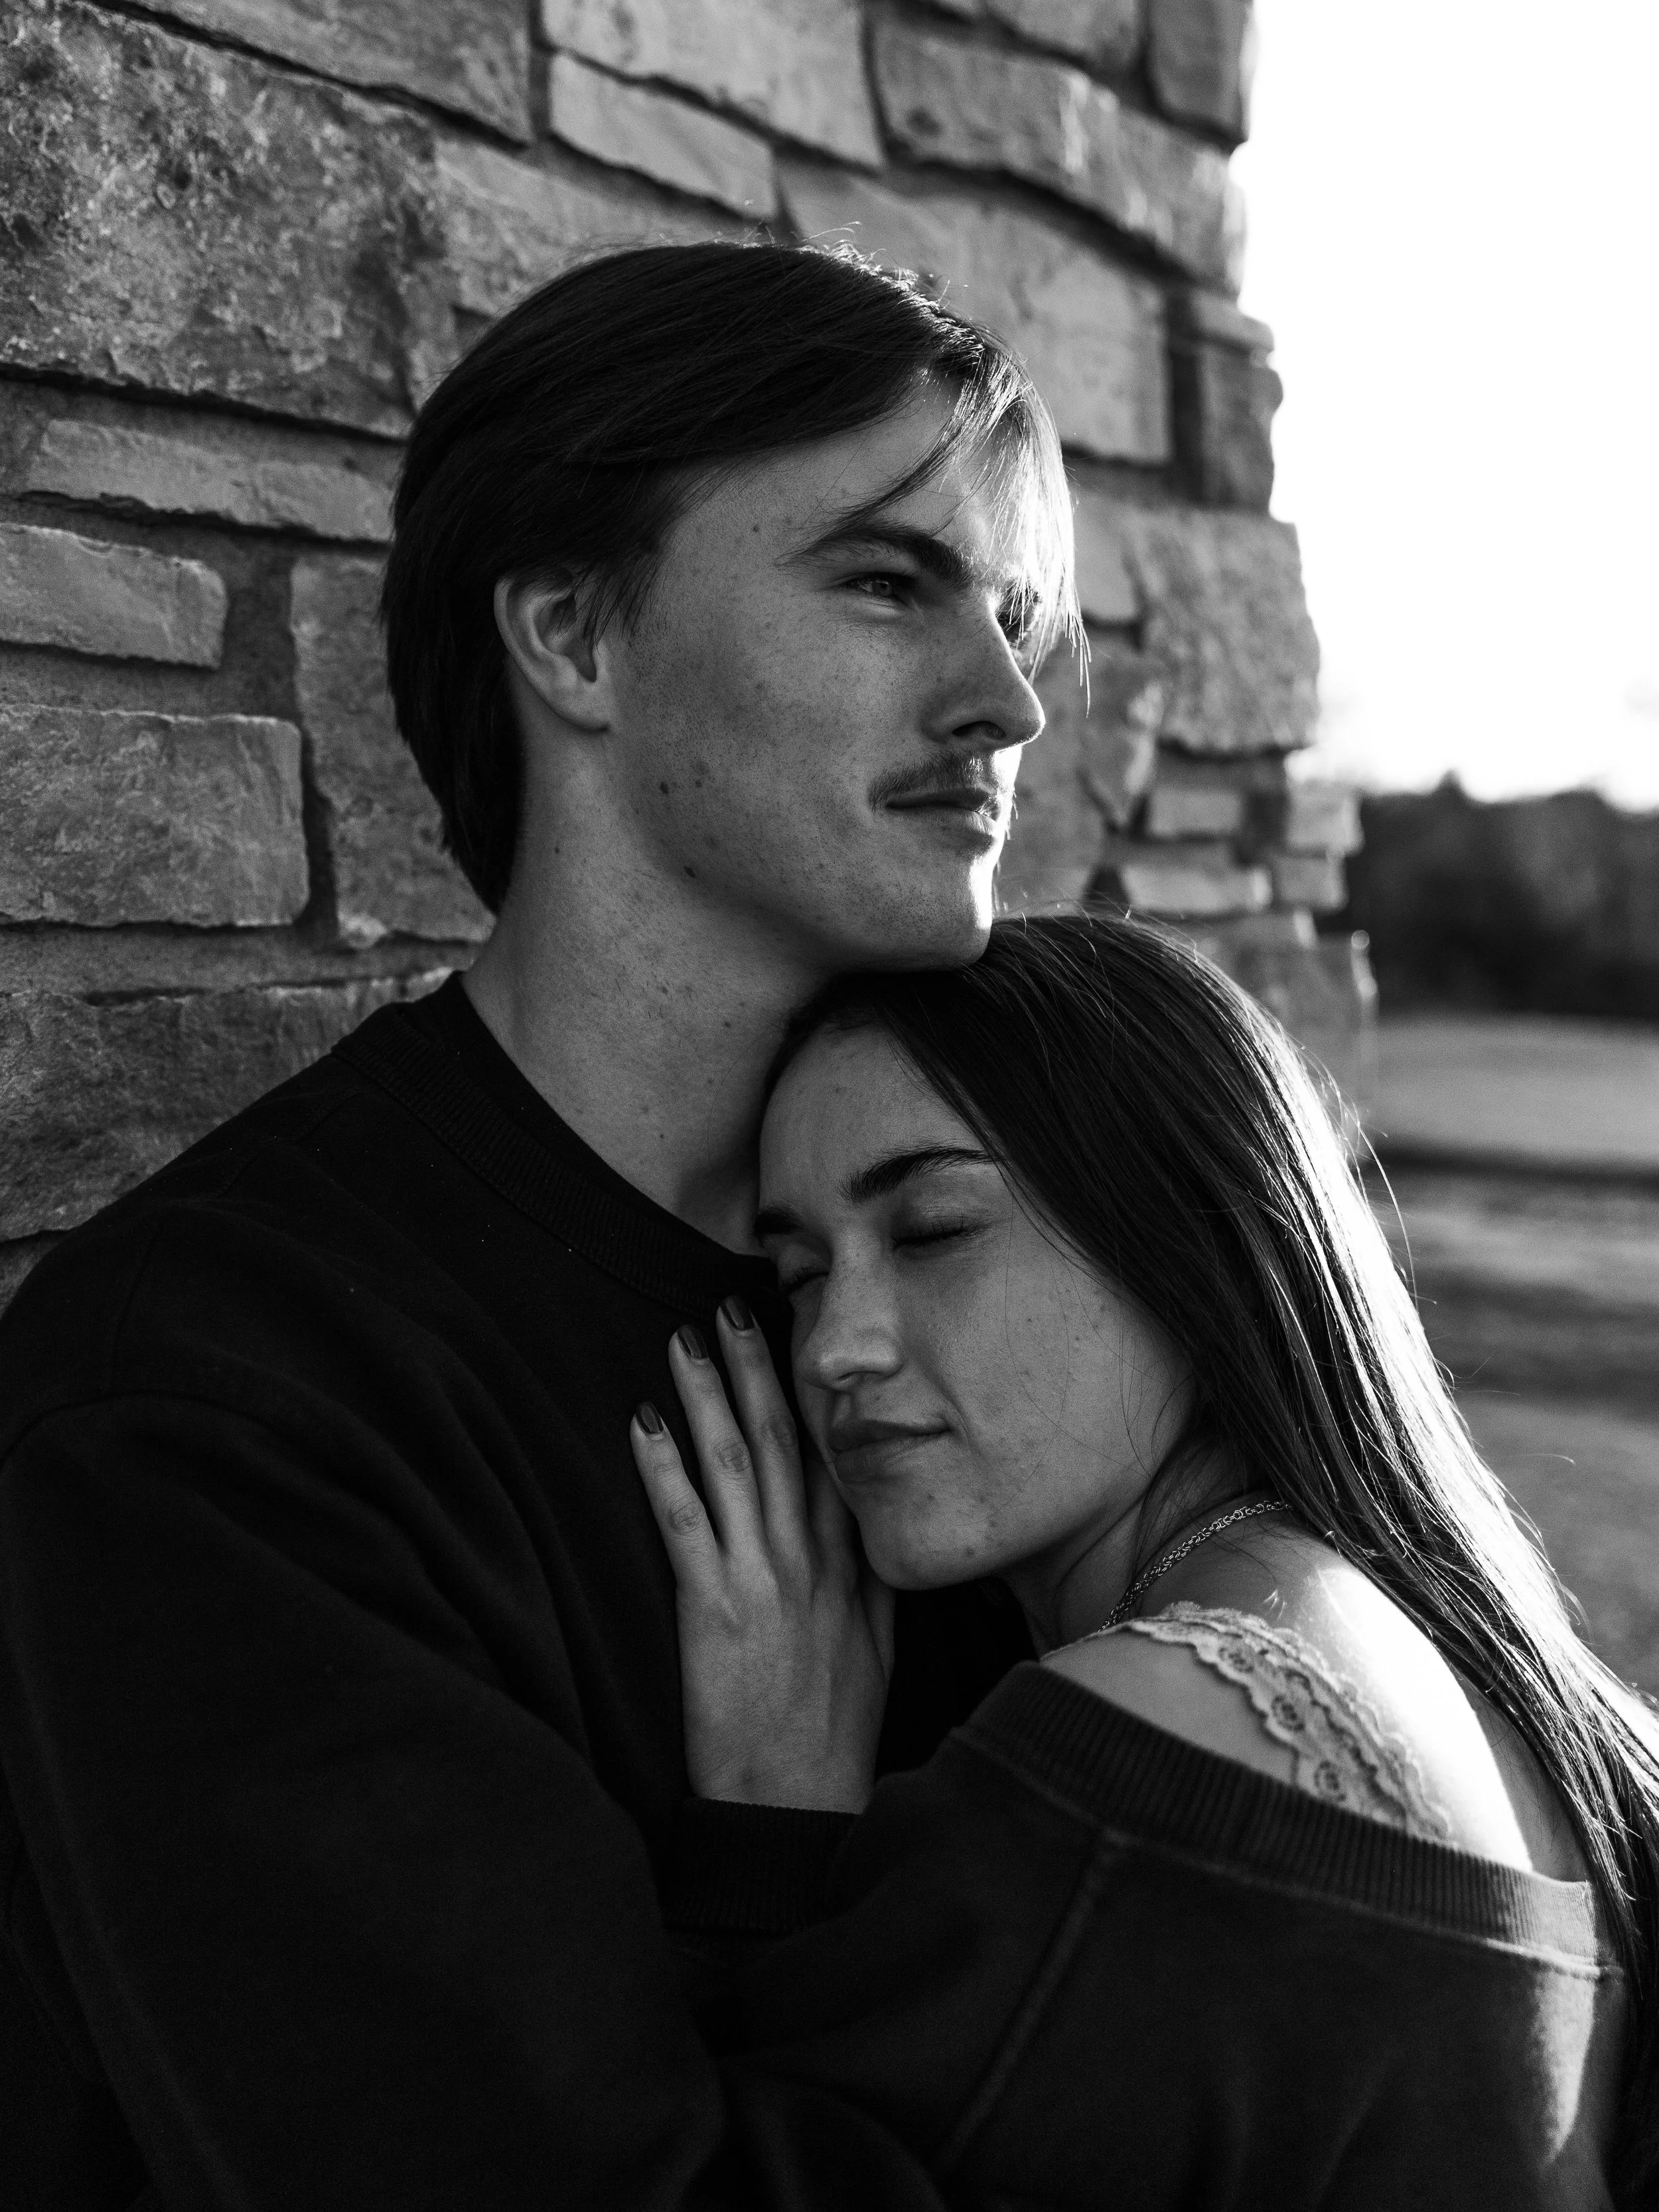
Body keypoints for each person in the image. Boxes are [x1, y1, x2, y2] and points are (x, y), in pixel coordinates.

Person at [0, 241, 1072, 2209]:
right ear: (572, 636)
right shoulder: (213, 1412)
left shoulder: (1019, 1270)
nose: (1003, 698)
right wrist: (769, 1877)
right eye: (883, 582)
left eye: (1007, 612)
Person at [633, 914, 1659, 2209]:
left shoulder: (1150, 1764)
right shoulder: (1437, 1655)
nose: (835, 1344)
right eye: (795, 1273)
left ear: (1187, 1236)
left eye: (933, 1228)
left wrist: (767, 1843)